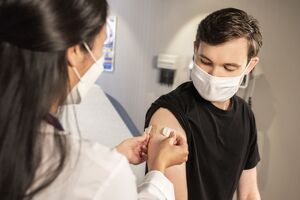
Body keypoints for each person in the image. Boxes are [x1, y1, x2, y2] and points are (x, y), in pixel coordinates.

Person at [0, 0, 188, 199]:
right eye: (103, 44)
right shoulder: (102, 172)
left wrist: (115, 156)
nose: (100, 56)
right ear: (74, 51)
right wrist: (158, 168)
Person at [145, 8, 262, 200]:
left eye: (228, 67)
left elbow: (249, 193)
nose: (214, 75)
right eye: (205, 61)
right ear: (195, 49)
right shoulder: (169, 114)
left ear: (250, 65)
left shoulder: (245, 115)